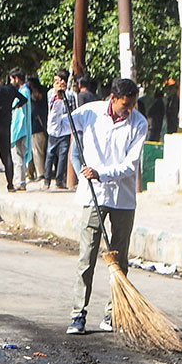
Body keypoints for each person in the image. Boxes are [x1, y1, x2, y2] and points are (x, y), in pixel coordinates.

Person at [66, 77, 148, 335]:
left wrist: (100, 172)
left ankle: (113, 313)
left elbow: (130, 165)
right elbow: (58, 126)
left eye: (132, 105)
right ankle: (78, 315)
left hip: (122, 198)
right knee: (87, 255)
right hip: (94, 196)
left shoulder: (139, 123)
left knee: (119, 258)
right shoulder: (90, 112)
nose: (129, 111)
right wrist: (58, 102)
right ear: (112, 99)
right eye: (125, 106)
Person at [44, 71, 73, 191]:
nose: (57, 83)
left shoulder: (70, 95)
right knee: (50, 154)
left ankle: (59, 180)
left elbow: (71, 110)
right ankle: (47, 181)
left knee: (62, 156)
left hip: (65, 128)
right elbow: (51, 107)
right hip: (53, 128)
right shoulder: (51, 92)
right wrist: (57, 94)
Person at [8, 67, 31, 191]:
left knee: (18, 156)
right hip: (20, 129)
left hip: (19, 129)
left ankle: (20, 182)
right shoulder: (24, 91)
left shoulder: (23, 92)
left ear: (17, 79)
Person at [27, 75, 48, 186]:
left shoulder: (37, 103)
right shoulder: (37, 101)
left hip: (37, 129)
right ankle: (32, 172)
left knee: (37, 152)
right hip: (35, 129)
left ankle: (40, 174)